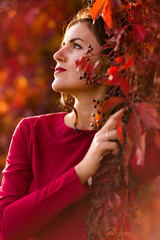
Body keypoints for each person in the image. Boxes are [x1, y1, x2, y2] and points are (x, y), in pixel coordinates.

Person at [0, 8, 160, 240]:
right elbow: (6, 227)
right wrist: (83, 169)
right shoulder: (31, 131)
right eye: (63, 44)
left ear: (110, 66)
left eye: (75, 45)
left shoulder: (131, 138)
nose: (58, 54)